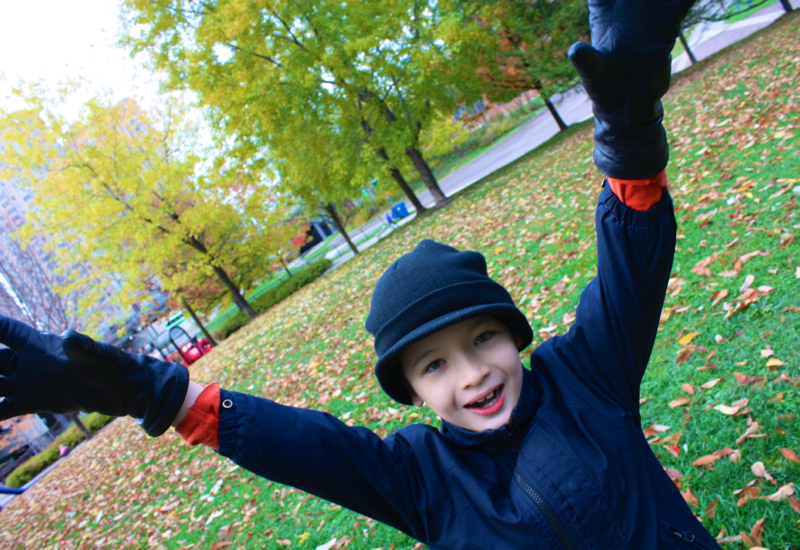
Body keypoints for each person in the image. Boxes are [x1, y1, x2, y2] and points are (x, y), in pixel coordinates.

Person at [0, 1, 722, 547]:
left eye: (484, 340)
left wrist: (628, 139)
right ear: (409, 390)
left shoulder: (585, 378)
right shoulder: (421, 479)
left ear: (513, 336)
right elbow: (308, 448)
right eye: (434, 364)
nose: (471, 374)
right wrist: (155, 394)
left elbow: (631, 269)